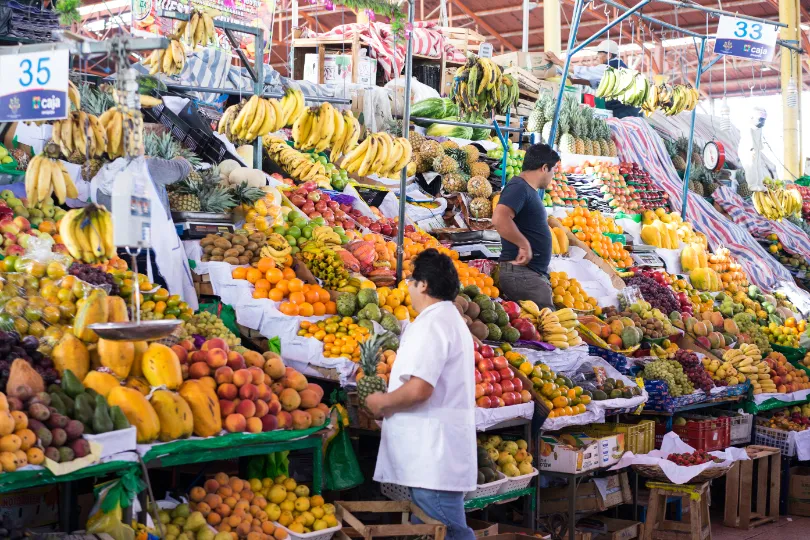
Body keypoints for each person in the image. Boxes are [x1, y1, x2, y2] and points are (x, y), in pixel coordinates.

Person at [366, 248, 476, 540]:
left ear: (423, 284)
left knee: (447, 531)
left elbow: (420, 389)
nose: (409, 289)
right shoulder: (448, 319)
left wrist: (382, 402)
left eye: (411, 282)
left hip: (433, 458)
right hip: (434, 455)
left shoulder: (433, 323)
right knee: (431, 529)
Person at [492, 143, 559, 310]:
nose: (553, 175)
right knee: (550, 329)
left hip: (527, 275)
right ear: (544, 168)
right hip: (522, 275)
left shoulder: (526, 189)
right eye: (553, 170)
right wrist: (523, 244)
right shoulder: (519, 187)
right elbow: (500, 218)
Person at [544, 40, 641, 119]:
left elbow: (580, 70)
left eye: (599, 53)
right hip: (631, 110)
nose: (597, 56)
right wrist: (573, 81)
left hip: (623, 112)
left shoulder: (607, 68)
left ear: (609, 55)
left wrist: (557, 61)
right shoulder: (621, 67)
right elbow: (593, 82)